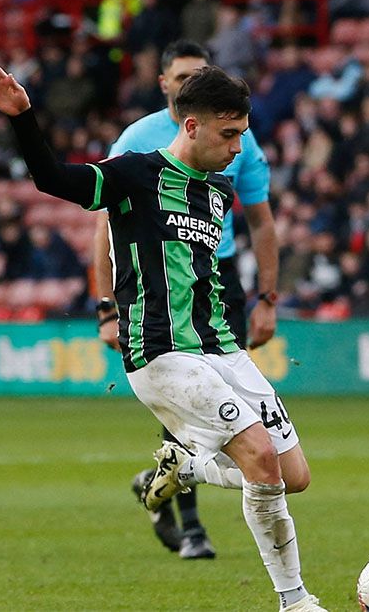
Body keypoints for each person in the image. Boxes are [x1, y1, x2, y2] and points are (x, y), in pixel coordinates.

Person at [0, 61, 324, 612]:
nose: (238, 147)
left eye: (242, 133)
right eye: (228, 134)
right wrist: (23, 119)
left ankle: (187, 466)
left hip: (224, 351)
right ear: (191, 127)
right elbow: (53, 179)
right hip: (161, 353)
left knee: (294, 476)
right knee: (259, 458)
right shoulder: (133, 174)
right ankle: (295, 600)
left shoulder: (218, 193)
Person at [99, 40, 280, 560]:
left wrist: (268, 295)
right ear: (164, 84)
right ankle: (194, 525)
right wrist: (106, 304)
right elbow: (103, 228)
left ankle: (171, 480)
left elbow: (260, 219)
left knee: (225, 410)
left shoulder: (236, 137)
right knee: (189, 399)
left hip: (218, 278)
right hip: (157, 278)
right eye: (179, 77)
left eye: (195, 76)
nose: (186, 84)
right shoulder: (138, 139)